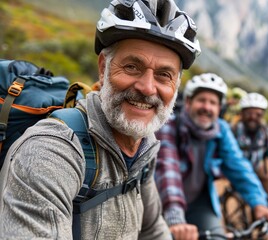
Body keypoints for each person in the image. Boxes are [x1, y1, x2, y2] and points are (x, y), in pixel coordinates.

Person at [0, 0, 200, 239]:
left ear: (175, 87)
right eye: (132, 66)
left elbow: (153, 229)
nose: (147, 88)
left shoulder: (144, 145)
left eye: (164, 75)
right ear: (103, 69)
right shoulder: (50, 152)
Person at [155, 73, 268, 240]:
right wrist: (175, 218)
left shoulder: (221, 129)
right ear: (189, 102)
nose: (207, 107)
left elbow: (239, 166)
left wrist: (259, 204)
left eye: (213, 102)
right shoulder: (169, 124)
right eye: (201, 100)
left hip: (199, 202)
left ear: (219, 108)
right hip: (162, 204)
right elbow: (167, 168)